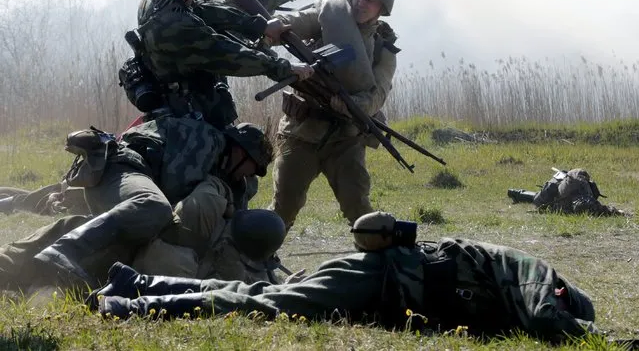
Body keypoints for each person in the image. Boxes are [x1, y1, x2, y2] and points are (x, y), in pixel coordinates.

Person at [32, 0, 313, 288]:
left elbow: (211, 12)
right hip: (174, 124)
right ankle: (60, 249)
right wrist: (282, 65)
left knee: (151, 210)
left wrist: (259, 27)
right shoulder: (171, 24)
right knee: (151, 208)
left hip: (178, 120)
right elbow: (222, 51)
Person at [91, 211, 598, 343]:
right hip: (377, 278)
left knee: (264, 291)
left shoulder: (513, 293)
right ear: (566, 294)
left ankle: (138, 285)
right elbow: (549, 320)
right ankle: (131, 307)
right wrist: (605, 340)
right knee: (271, 304)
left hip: (381, 290)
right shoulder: (539, 277)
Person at [0, 123, 284, 290]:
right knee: (152, 207)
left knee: (104, 230)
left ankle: (9, 268)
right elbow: (174, 194)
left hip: (127, 181)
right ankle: (65, 250)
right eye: (251, 168)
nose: (247, 177)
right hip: (120, 167)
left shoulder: (221, 171)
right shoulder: (206, 141)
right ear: (241, 151)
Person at [266, 0, 400, 230]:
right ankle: (255, 264)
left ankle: (377, 265)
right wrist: (270, 29)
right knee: (282, 210)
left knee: (360, 210)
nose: (361, 3)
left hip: (346, 138)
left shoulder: (384, 50)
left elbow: (378, 94)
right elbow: (292, 22)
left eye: (369, 0)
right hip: (301, 132)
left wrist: (354, 105)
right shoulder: (329, 13)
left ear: (381, 8)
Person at [507, 168, 627, 216]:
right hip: (556, 201)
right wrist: (619, 212)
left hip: (556, 196)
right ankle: (516, 193)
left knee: (538, 197)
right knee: (539, 199)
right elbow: (597, 209)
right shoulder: (583, 199)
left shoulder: (575, 184)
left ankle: (516, 193)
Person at [0, 184, 88, 216]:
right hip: (58, 190)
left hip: (58, 197)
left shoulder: (96, 162)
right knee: (3, 190)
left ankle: (13, 205)